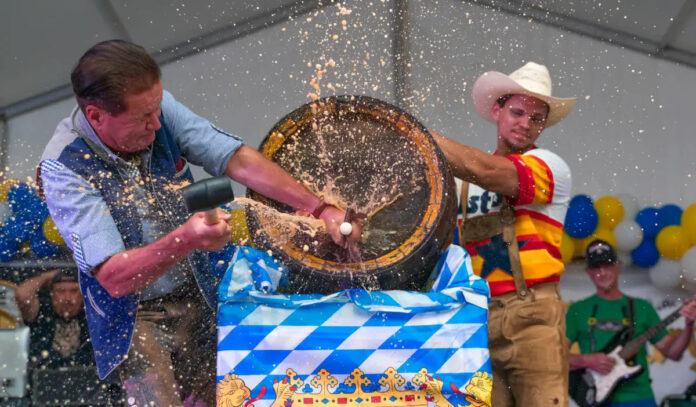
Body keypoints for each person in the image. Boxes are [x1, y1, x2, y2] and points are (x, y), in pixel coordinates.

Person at [38, 39, 361, 406]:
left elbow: (236, 161)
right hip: (135, 316)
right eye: (143, 118)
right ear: (97, 116)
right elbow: (113, 278)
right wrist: (185, 239)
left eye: (157, 109)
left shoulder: (155, 108)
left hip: (199, 293)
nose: (157, 123)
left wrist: (321, 209)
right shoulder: (65, 169)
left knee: (239, 397)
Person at [430, 62, 577, 406]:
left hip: (534, 319)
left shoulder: (551, 166)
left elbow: (485, 169)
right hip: (477, 319)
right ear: (497, 110)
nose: (526, 123)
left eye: (536, 118)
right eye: (517, 112)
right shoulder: (459, 183)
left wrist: (416, 135)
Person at [566, 239, 696, 407]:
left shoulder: (642, 308)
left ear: (618, 267)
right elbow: (556, 357)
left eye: (607, 265)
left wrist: (688, 325)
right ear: (588, 272)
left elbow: (673, 353)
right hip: (596, 398)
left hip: (640, 399)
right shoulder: (578, 310)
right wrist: (587, 360)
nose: (602, 272)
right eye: (596, 267)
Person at [15, 268, 123, 403]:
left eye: (73, 291)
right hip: (44, 394)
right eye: (61, 291)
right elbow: (21, 295)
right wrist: (48, 276)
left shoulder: (93, 316)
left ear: (83, 295)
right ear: (52, 294)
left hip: (88, 394)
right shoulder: (41, 314)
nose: (67, 298)